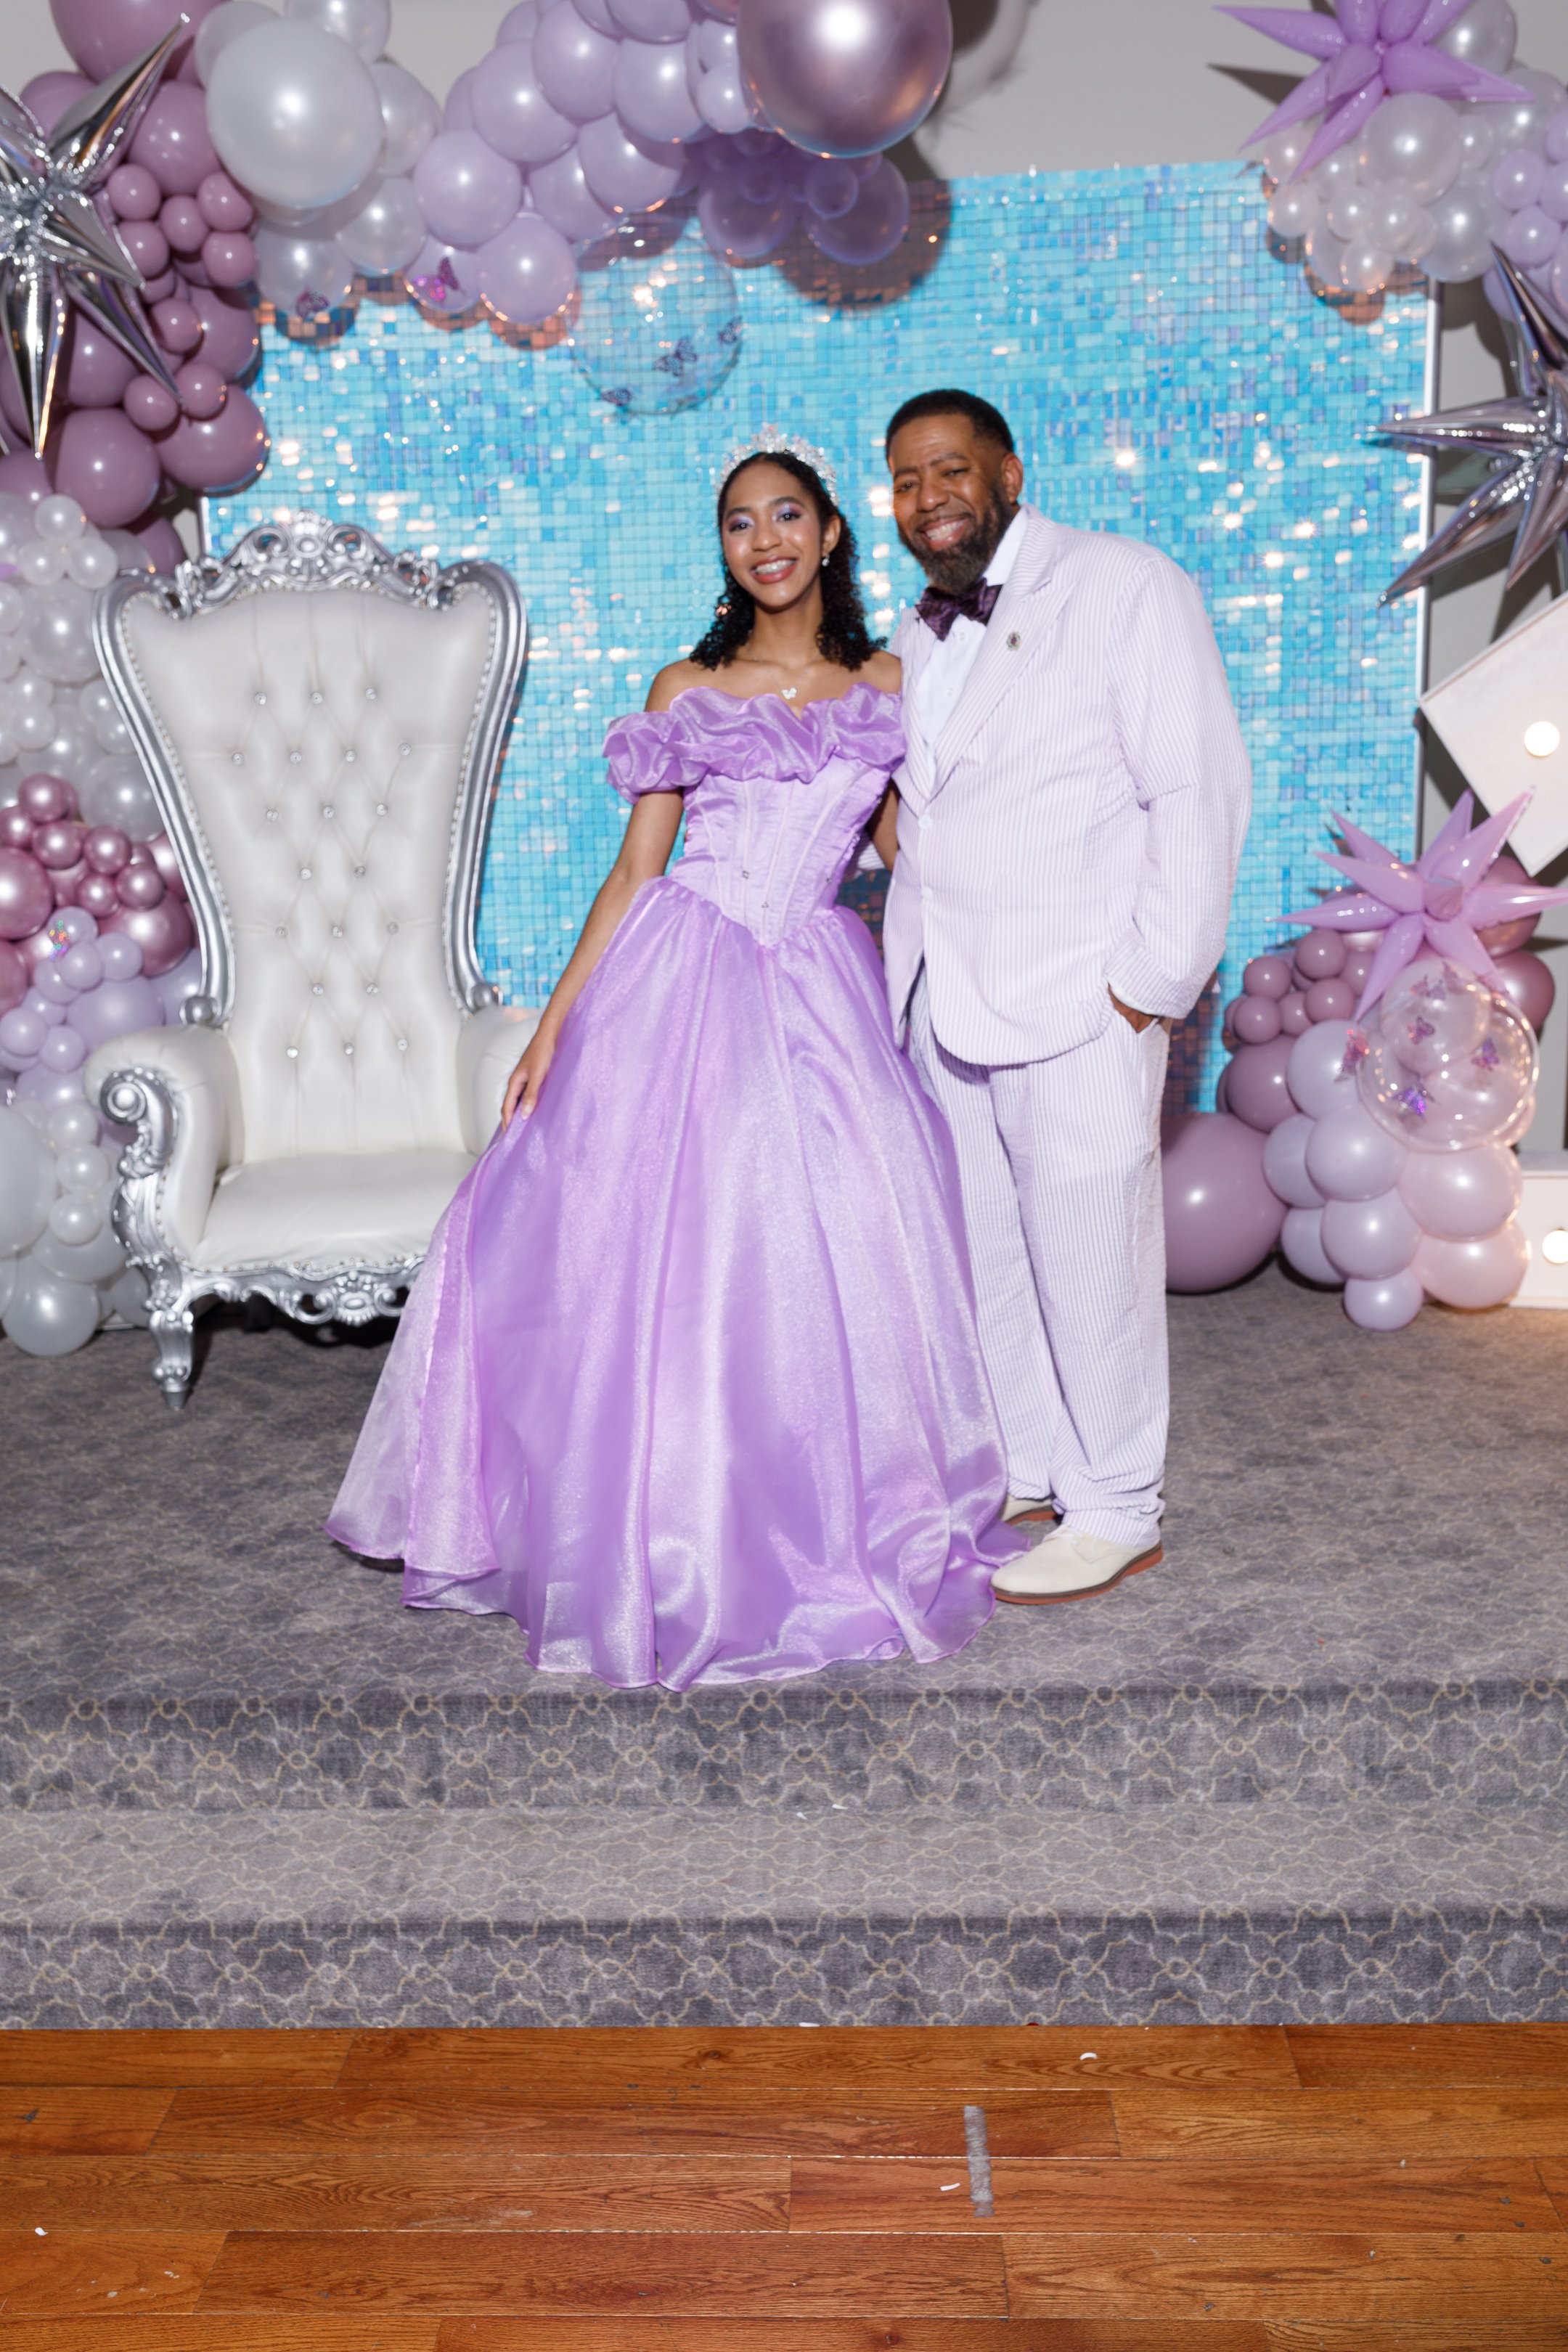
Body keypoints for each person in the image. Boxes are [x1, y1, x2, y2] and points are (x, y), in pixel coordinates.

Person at [326, 429, 1019, 1689]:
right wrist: (552, 1029)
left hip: (816, 981)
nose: (765, 541)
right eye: (741, 524)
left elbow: (917, 856)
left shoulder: (884, 684)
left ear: (830, 533)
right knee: (636, 1252)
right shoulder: (682, 690)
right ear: (728, 550)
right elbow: (637, 870)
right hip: (683, 973)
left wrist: (1023, 942)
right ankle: (653, 1531)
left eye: (786, 516)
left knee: (830, 1257)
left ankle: (814, 1519)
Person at [882, 389, 1251, 1606]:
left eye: (950, 470)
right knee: (995, 1254)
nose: (929, 497)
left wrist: (1146, 988)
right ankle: (1035, 1467)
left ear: (1009, 469)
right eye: (905, 480)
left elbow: (1194, 788)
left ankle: (1119, 1506)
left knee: (1091, 1253)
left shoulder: (1125, 585)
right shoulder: (926, 626)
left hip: (1082, 994)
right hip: (955, 997)